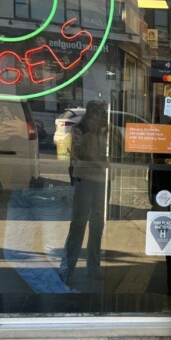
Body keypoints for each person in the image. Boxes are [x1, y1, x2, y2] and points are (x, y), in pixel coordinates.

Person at [0, 107, 72, 293]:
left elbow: (69, 141)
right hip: (20, 184)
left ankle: (62, 302)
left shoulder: (60, 94)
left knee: (54, 253)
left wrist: (32, 132)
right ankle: (62, 298)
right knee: (16, 251)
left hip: (50, 185)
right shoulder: (11, 95)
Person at [61, 100, 120, 291]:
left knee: (97, 225)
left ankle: (93, 267)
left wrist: (114, 132)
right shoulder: (79, 130)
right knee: (78, 225)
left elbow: (122, 151)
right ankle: (67, 268)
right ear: (91, 115)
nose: (101, 118)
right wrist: (101, 163)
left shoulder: (106, 131)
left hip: (103, 183)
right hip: (84, 181)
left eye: (103, 115)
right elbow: (80, 156)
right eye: (98, 115)